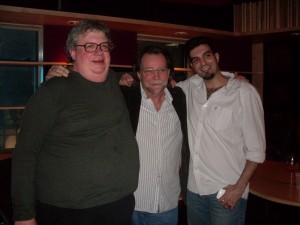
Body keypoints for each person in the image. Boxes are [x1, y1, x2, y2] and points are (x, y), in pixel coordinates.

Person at [11, 19, 139, 225]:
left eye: (104, 46)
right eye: (89, 46)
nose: (99, 52)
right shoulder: (52, 92)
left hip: (119, 206)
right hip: (71, 212)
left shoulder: (116, 82)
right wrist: (24, 215)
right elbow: (25, 155)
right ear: (72, 52)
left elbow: (142, 79)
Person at [46, 46, 190, 225]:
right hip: (127, 204)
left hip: (166, 204)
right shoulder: (124, 98)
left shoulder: (180, 99)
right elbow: (94, 85)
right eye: (148, 70)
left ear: (169, 73)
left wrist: (235, 79)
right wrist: (63, 76)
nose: (155, 76)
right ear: (138, 74)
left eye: (161, 70)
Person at [176, 36, 266, 225]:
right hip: (194, 191)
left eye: (207, 55)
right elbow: (158, 85)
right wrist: (128, 80)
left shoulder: (244, 93)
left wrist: (239, 188)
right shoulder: (188, 89)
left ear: (216, 56)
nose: (203, 63)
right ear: (192, 66)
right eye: (196, 60)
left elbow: (256, 151)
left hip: (226, 192)